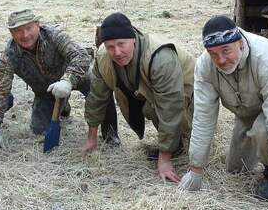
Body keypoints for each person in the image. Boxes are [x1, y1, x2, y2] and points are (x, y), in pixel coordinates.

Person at [179, 16, 268, 210]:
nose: (221, 60)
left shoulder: (267, 61)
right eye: (213, 54)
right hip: (249, 105)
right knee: (236, 169)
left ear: (240, 44)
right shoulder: (205, 66)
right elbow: (203, 118)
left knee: (264, 129)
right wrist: (195, 168)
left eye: (226, 51)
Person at [83, 12, 195, 182]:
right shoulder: (102, 56)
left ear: (133, 38)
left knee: (154, 109)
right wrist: (91, 138)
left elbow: (171, 106)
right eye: (110, 46)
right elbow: (97, 97)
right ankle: (172, 142)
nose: (117, 52)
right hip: (148, 88)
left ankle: (176, 146)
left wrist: (164, 160)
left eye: (121, 44)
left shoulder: (160, 58)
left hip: (187, 88)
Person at [0, 9, 118, 148]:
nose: (25, 35)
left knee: (99, 88)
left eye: (29, 28)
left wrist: (67, 81)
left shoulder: (55, 35)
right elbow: (0, 93)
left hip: (78, 77)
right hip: (46, 92)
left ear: (38, 25)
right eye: (18, 31)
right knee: (39, 129)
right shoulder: (9, 56)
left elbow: (81, 55)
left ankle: (111, 134)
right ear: (11, 33)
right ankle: (63, 105)